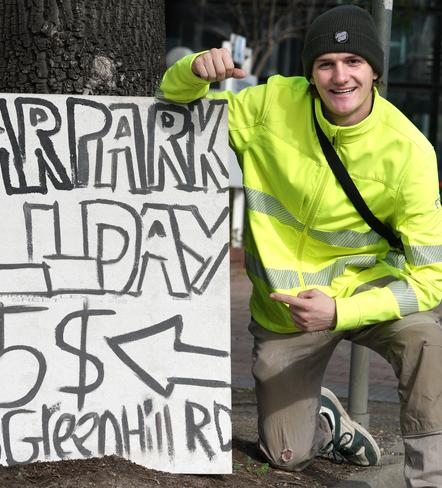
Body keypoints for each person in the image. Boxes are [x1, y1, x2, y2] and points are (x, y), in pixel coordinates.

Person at [160, 4, 442, 487]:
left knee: (428, 342)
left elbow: (432, 279)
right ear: (310, 73)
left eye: (353, 62)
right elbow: (176, 100)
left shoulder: (410, 152)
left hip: (364, 294)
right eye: (325, 63)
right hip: (285, 313)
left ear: (374, 70)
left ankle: (430, 477)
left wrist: (340, 311)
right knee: (285, 453)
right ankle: (327, 422)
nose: (340, 76)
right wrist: (193, 70)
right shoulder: (270, 105)